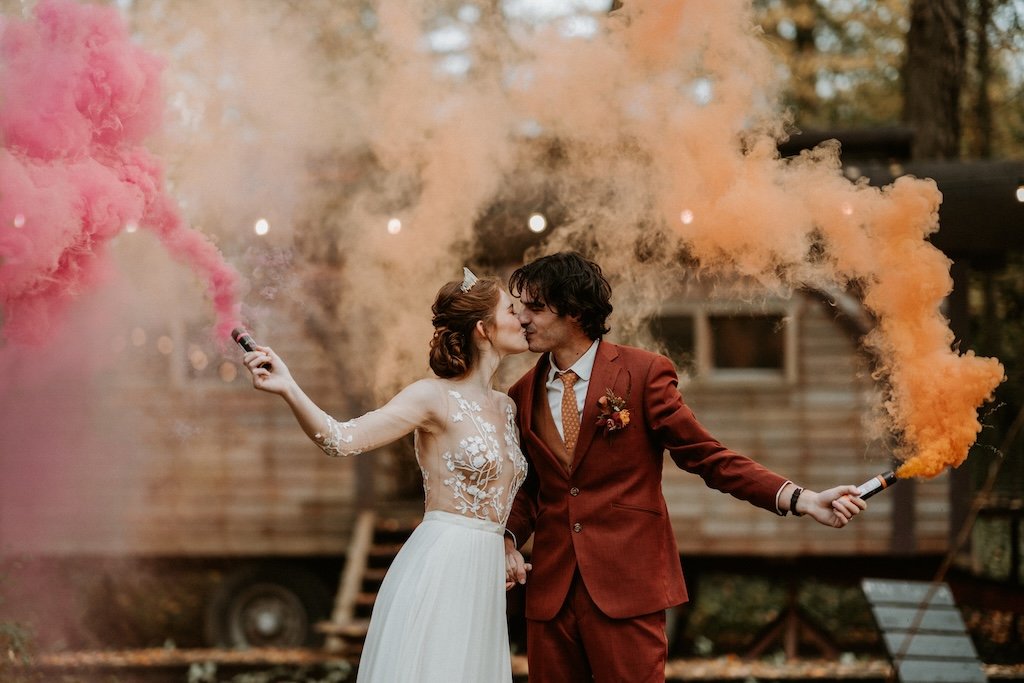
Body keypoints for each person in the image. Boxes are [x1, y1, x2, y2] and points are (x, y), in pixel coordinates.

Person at [502, 251, 868, 683]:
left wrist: (801, 498)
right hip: (550, 599)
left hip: (628, 588)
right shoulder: (521, 392)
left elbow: (708, 457)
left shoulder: (643, 373)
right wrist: (507, 537)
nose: (520, 318)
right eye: (519, 306)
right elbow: (526, 489)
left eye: (536, 307)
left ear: (576, 311)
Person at [242, 269, 530, 683]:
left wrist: (505, 543)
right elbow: (340, 439)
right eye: (511, 309)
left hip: (484, 576)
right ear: (484, 329)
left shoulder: (508, 407)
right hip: (442, 566)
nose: (521, 318)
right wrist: (289, 387)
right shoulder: (431, 396)